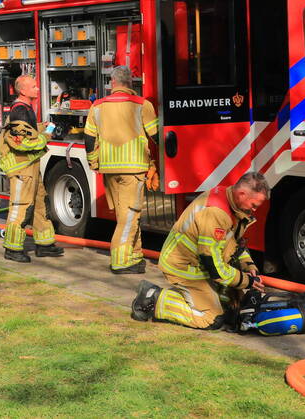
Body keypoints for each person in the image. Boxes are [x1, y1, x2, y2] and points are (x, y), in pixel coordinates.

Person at [130, 172, 269, 329]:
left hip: (197, 265)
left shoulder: (230, 201)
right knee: (213, 318)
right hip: (183, 267)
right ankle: (153, 298)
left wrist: (249, 267)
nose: (255, 210)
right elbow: (215, 268)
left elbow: (234, 245)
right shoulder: (216, 213)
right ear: (242, 194)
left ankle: (185, 298)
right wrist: (246, 281)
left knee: (232, 308)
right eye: (254, 205)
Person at [83, 65, 159, 274]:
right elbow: (157, 135)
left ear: (113, 83)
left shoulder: (97, 106)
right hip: (133, 169)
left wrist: (93, 162)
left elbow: (89, 138)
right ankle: (121, 260)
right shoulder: (143, 105)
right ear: (131, 83)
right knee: (130, 215)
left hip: (109, 169)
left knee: (125, 215)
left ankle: (135, 254)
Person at [0, 74, 64, 262]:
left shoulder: (26, 109)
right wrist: (45, 137)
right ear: (23, 90)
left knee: (40, 205)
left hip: (31, 167)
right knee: (21, 208)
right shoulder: (19, 110)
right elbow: (21, 142)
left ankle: (44, 244)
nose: (38, 89)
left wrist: (42, 127)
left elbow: (27, 130)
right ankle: (12, 248)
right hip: (21, 170)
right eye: (34, 86)